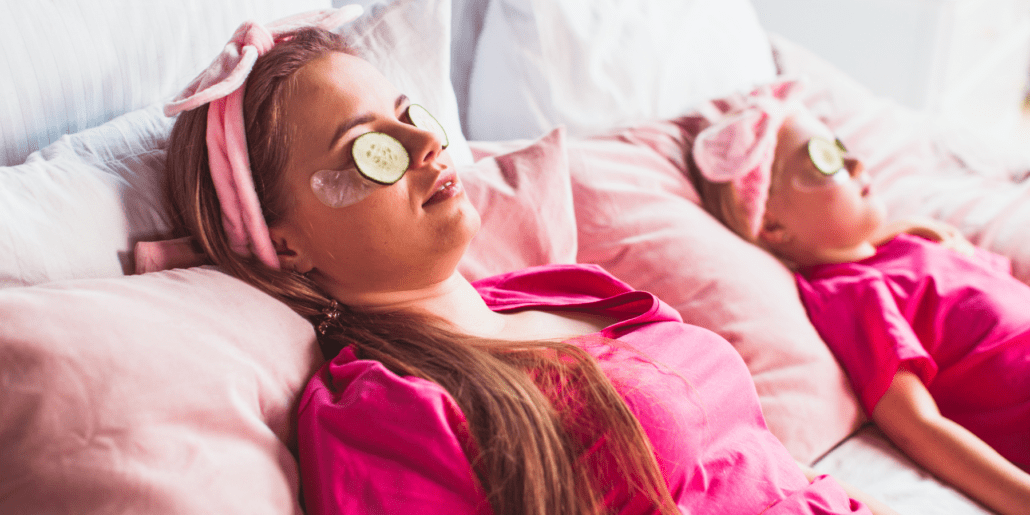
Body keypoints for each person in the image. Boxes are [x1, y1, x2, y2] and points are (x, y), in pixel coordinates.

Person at [149, 7, 888, 514]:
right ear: (286, 242)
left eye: (411, 117)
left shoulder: (560, 290)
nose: (426, 146)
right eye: (368, 150)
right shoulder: (384, 411)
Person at [687, 78, 1030, 515]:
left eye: (839, 146)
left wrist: (905, 232)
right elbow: (917, 426)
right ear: (773, 226)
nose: (854, 163)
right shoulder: (849, 294)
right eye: (822, 161)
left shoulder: (902, 249)